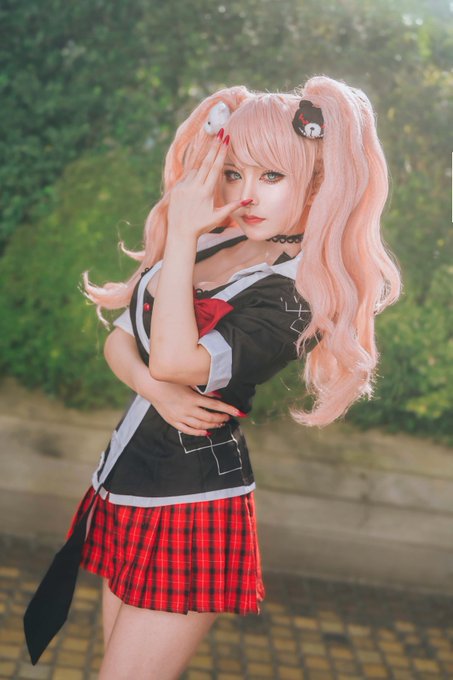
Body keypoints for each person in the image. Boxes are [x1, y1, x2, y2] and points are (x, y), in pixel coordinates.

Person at [24, 76, 401, 678]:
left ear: (318, 183)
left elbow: (174, 360)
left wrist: (180, 236)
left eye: (271, 176)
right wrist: (154, 391)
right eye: (233, 172)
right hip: (125, 480)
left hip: (191, 501)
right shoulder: (216, 242)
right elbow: (122, 339)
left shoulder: (298, 296)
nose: (245, 194)